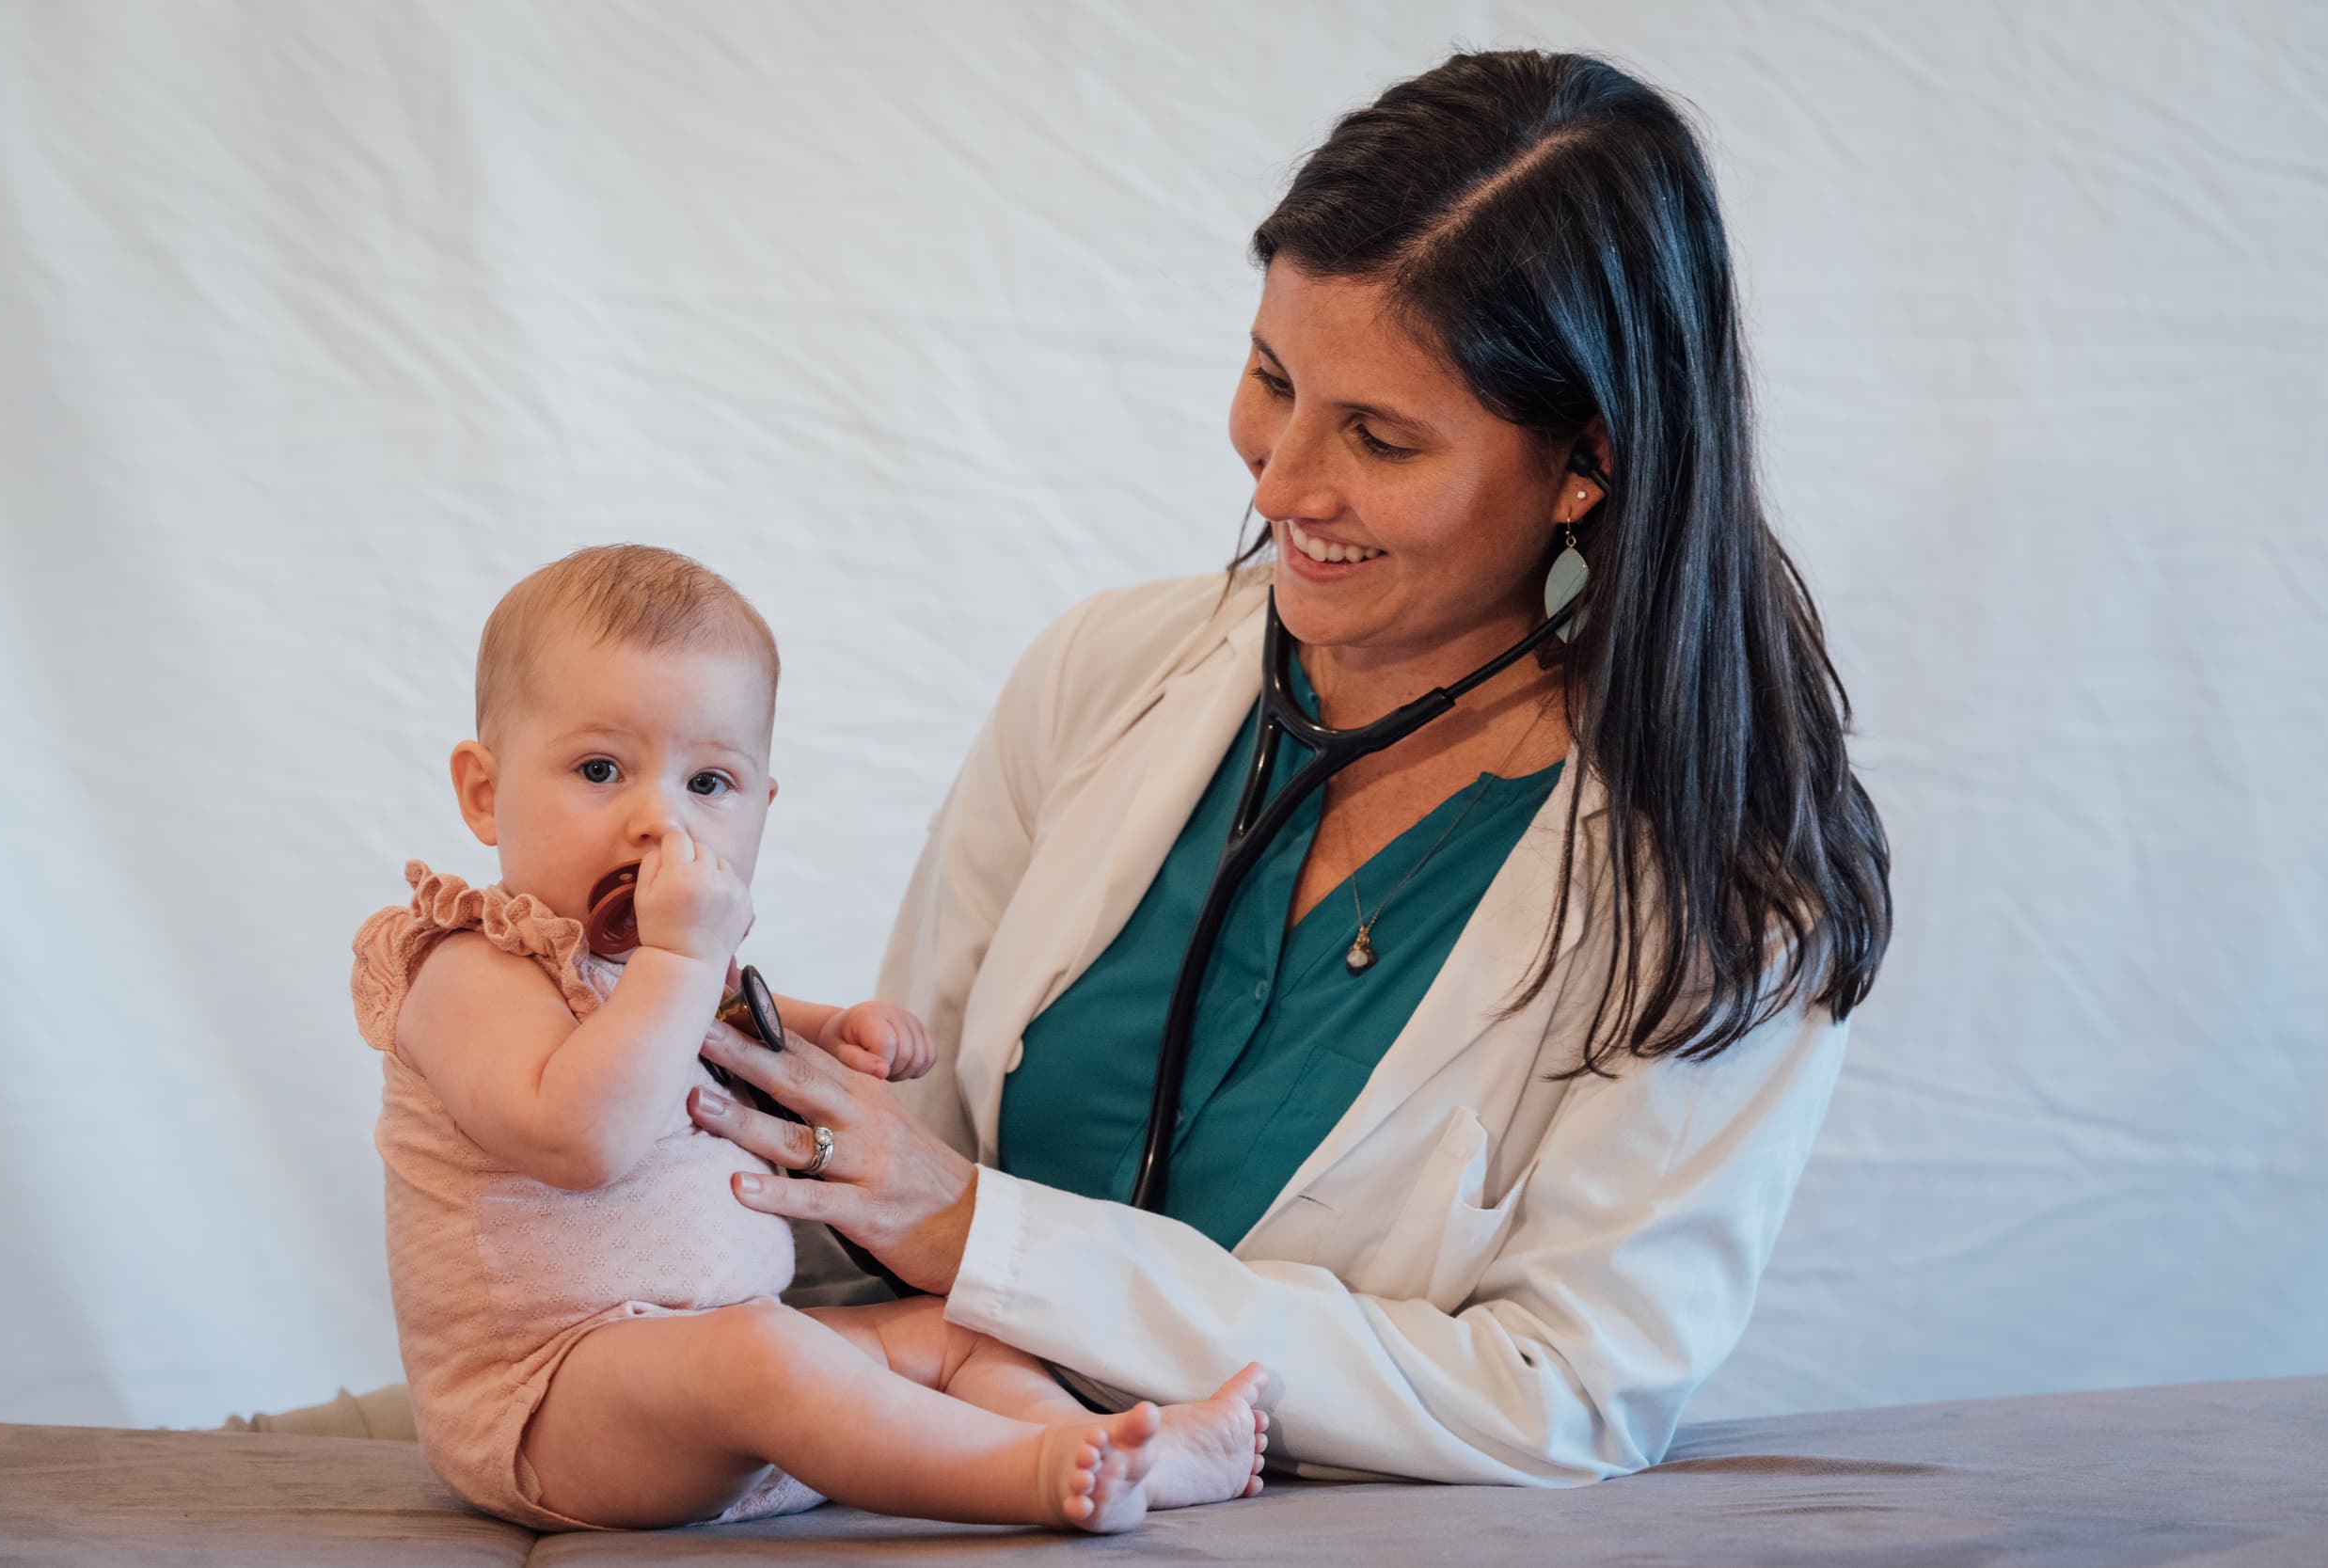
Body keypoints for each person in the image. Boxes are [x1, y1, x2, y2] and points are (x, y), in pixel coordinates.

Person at [681, 49, 1892, 1486]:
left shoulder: (1723, 893)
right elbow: (892, 1174)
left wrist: (985, 1236)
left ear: (1588, 463)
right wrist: (693, 1061)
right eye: (1272, 379)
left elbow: (1561, 1391)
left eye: (1378, 437)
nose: (1278, 482)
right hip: (926, 1469)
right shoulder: (1107, 676)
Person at [350, 544, 1268, 1533]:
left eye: (710, 782)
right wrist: (684, 959)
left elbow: (721, 1026)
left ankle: (1133, 1453)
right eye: (600, 769)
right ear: (484, 791)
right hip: (553, 1402)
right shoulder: (462, 966)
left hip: (729, 1383)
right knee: (761, 1356)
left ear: (762, 807)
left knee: (947, 1331)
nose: (659, 821)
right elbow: (585, 1138)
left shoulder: (663, 970)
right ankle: (1029, 1471)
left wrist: (833, 1028)